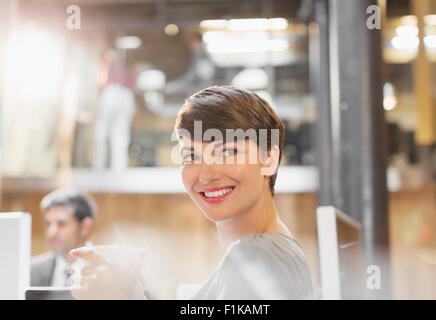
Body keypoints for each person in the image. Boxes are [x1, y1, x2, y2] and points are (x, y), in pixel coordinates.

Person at [70, 86, 314, 300]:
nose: (206, 175)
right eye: (192, 156)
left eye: (228, 152)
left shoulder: (258, 255)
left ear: (268, 159)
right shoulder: (260, 252)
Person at [30, 189, 96, 287]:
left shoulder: (108, 269)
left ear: (85, 227)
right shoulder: (31, 270)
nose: (52, 232)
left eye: (61, 224)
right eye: (48, 224)